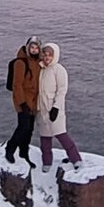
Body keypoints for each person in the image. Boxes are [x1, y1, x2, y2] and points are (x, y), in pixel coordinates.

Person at [35, 41, 83, 171]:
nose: (47, 57)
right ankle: (47, 162)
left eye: (50, 55)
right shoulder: (39, 69)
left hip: (54, 109)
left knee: (62, 135)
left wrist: (56, 107)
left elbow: (62, 90)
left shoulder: (59, 70)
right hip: (41, 109)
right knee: (45, 139)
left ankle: (76, 159)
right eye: (45, 54)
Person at [4, 34, 42, 164]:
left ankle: (23, 153)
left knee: (29, 129)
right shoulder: (21, 62)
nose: (34, 50)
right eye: (32, 47)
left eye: (36, 48)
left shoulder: (37, 63)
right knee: (23, 127)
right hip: (23, 101)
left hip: (33, 102)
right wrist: (22, 103)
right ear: (27, 48)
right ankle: (10, 149)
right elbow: (17, 84)